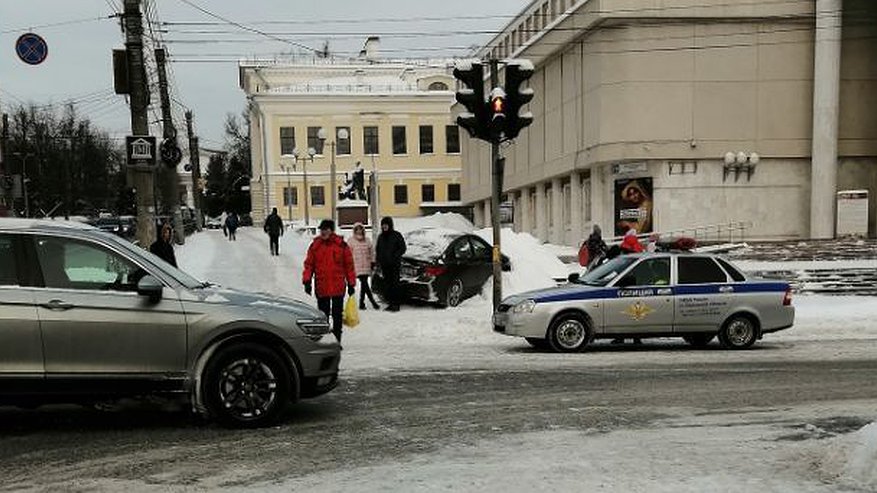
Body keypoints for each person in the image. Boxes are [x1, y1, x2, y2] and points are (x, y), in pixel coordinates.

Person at [302, 219, 356, 344]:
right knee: (323, 316)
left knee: (337, 316)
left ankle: (337, 340)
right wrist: (307, 281)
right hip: (322, 286)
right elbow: (309, 265)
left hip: (338, 287)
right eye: (322, 230)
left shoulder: (341, 245)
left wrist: (351, 283)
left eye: (326, 229)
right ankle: (325, 341)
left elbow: (349, 266)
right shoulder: (315, 246)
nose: (323, 232)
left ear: (331, 230)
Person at [375, 216, 406, 312]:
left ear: (390, 225)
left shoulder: (397, 235)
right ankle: (390, 303)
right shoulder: (381, 237)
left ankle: (396, 304)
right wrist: (378, 261)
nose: (384, 226)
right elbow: (378, 250)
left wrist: (395, 256)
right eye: (383, 225)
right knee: (387, 285)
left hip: (394, 265)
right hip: (385, 265)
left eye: (386, 224)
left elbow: (403, 248)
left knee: (395, 284)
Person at [349, 222, 380, 311]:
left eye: (360, 229)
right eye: (357, 230)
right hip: (357, 265)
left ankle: (362, 303)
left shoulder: (367, 240)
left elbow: (372, 252)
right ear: (355, 231)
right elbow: (348, 254)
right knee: (364, 283)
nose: (359, 231)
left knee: (364, 284)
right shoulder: (351, 241)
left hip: (366, 264)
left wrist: (373, 261)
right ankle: (372, 301)